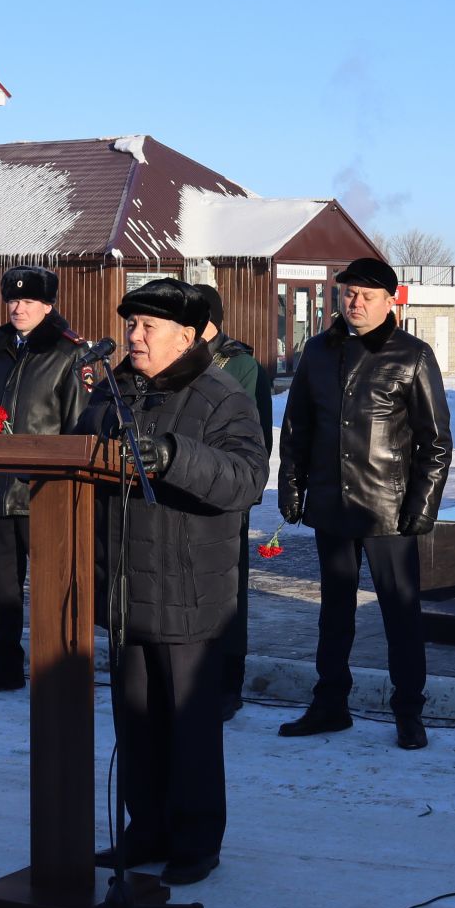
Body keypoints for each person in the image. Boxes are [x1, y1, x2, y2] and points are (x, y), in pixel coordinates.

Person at [78, 278, 267, 886]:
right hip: (127, 590)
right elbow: (74, 458)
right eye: (130, 324)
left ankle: (195, 839)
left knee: (188, 728)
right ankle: (147, 828)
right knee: (137, 723)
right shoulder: (114, 394)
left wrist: (174, 455)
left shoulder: (221, 396)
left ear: (185, 335)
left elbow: (245, 479)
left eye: (147, 327)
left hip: (189, 592)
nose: (134, 337)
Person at [276, 256, 451, 750]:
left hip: (388, 508)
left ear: (389, 300)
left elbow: (435, 440)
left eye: (366, 296)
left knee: (400, 612)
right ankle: (331, 703)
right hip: (333, 504)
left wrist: (422, 505)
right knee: (334, 612)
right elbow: (297, 429)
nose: (355, 303)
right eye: (348, 293)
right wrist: (292, 486)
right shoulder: (317, 351)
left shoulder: (411, 355)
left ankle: (409, 711)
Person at [0, 264, 89, 694]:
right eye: (12, 300)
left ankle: (57, 669)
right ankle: (5, 668)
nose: (18, 307)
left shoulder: (68, 354)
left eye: (29, 300)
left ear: (48, 305)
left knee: (53, 587)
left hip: (45, 492)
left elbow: (79, 428)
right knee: (0, 588)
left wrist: (73, 488)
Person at [193, 283, 275, 721]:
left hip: (225, 493)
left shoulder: (239, 364)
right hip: (179, 490)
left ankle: (229, 681)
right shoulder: (173, 359)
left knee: (228, 592)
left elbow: (255, 433)